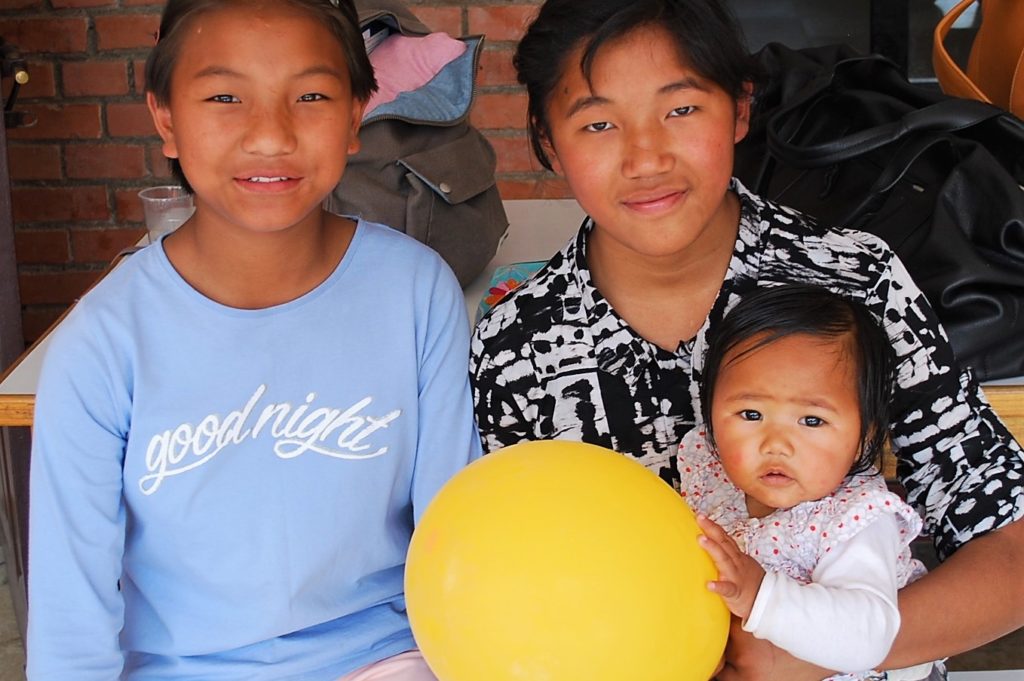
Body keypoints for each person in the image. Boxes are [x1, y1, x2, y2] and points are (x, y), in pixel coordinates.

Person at [469, 0, 1024, 678]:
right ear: (551, 144)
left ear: (739, 110)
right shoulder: (517, 345)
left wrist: (817, 649)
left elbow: (1011, 541)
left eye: (680, 109)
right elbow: (512, 579)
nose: (646, 157)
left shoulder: (852, 280)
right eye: (599, 123)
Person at [26, 0, 480, 678]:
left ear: (357, 114)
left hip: (383, 658)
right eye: (225, 96)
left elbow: (459, 538)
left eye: (312, 95)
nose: (270, 135)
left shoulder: (415, 292)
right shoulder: (104, 341)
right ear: (166, 119)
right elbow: (71, 619)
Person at [680, 284, 934, 680]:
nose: (776, 444)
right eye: (750, 414)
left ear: (862, 439)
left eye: (812, 421)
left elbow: (868, 636)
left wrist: (761, 595)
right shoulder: (711, 478)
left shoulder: (856, 518)